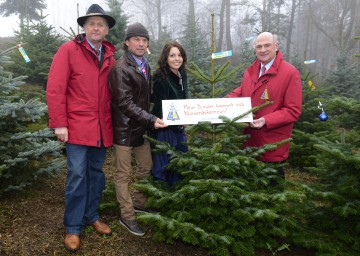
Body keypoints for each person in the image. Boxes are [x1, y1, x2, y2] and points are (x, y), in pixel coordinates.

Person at [46, 4, 116, 253]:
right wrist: (59, 123)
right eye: (91, 24)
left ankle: (91, 215)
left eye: (100, 24)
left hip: (100, 128)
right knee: (77, 176)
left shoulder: (109, 55)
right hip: (76, 127)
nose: (96, 28)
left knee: (96, 174)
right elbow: (55, 89)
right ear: (84, 28)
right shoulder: (68, 50)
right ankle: (73, 227)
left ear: (107, 30)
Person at [108, 23, 167, 236]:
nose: (141, 44)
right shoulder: (120, 68)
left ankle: (140, 202)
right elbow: (124, 103)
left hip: (141, 129)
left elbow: (146, 97)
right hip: (124, 130)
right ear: (127, 42)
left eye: (144, 40)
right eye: (136, 39)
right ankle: (127, 215)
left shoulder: (144, 65)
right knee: (123, 174)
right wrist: (151, 119)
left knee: (146, 167)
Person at [227, 32, 302, 181]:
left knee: (272, 191)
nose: (263, 50)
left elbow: (293, 110)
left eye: (267, 45)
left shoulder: (290, 73)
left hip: (273, 145)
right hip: (249, 141)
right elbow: (241, 92)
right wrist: (221, 103)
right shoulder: (250, 71)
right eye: (259, 46)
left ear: (276, 46)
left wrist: (266, 120)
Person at [151, 41, 189, 187]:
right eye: (172, 55)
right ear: (166, 58)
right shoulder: (160, 77)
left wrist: (186, 116)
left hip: (179, 128)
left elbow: (184, 99)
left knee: (181, 163)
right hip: (165, 129)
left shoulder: (182, 74)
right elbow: (160, 106)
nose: (176, 58)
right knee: (164, 166)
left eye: (179, 55)